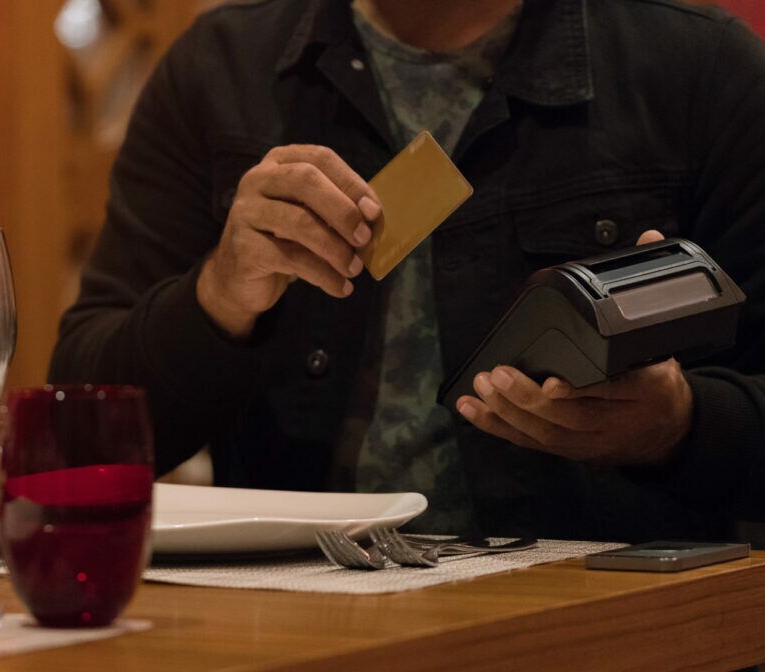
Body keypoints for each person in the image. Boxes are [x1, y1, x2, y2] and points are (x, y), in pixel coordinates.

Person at [48, 0, 765, 542]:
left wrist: (676, 425)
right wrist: (219, 293)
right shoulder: (219, 71)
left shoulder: (697, 70)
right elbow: (73, 438)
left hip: (605, 620)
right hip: (289, 621)